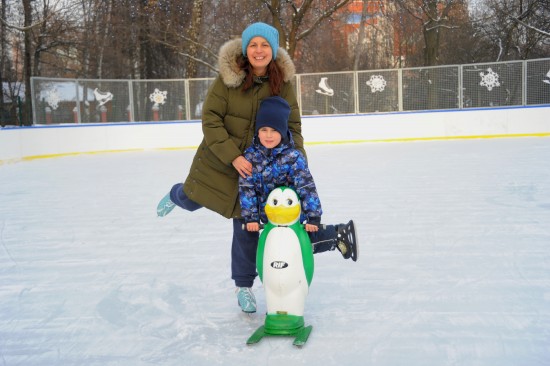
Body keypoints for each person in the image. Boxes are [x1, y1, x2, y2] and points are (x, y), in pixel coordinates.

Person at [156, 22, 306, 313]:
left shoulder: (283, 85)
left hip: (259, 168)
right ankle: (176, 194)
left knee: (247, 226)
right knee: (191, 199)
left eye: (265, 45)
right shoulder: (228, 80)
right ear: (245, 49)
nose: (259, 51)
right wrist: (233, 157)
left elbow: (293, 126)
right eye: (253, 45)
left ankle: (243, 287)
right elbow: (210, 120)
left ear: (273, 51)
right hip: (220, 160)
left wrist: (298, 164)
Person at [239, 96, 358, 266]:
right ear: (257, 131)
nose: (269, 135)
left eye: (274, 130)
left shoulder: (293, 157)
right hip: (269, 217)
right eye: (264, 129)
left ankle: (337, 235)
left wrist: (313, 217)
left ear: (282, 131)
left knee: (298, 246)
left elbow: (307, 187)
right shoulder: (250, 157)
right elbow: (247, 189)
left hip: (292, 215)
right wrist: (250, 218)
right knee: (273, 248)